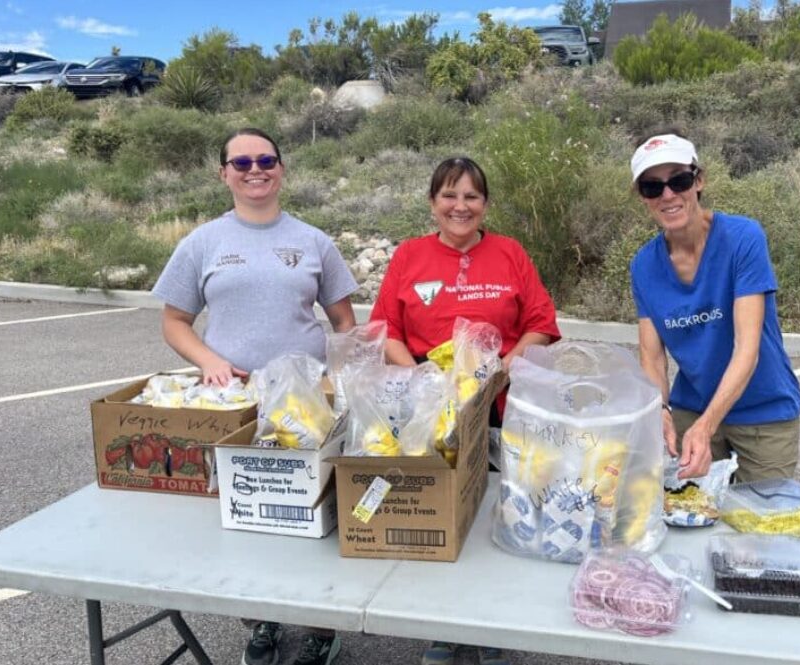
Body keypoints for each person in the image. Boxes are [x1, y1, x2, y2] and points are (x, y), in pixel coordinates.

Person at [152, 128, 358, 665]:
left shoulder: (314, 241)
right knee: (246, 514)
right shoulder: (202, 242)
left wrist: (339, 380)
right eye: (240, 162)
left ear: (282, 169)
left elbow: (343, 321)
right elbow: (175, 322)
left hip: (309, 407)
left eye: (265, 159)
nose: (254, 169)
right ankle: (260, 621)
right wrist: (210, 361)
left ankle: (319, 625)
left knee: (315, 513)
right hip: (235, 409)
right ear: (224, 174)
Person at [369, 156, 561, 665]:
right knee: (438, 512)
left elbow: (541, 321)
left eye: (471, 196)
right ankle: (441, 626)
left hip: (500, 408)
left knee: (499, 512)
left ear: (485, 205)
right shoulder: (410, 255)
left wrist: (499, 371)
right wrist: (423, 381)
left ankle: (494, 623)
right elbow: (386, 327)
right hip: (428, 412)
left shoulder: (510, 253)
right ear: (433, 203)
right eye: (449, 195)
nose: (460, 206)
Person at [628, 131, 800, 484]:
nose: (667, 195)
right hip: (691, 406)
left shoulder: (743, 239)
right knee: (689, 514)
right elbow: (652, 357)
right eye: (652, 187)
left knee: (762, 521)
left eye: (678, 180)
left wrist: (706, 426)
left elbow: (747, 348)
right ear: (643, 197)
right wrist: (659, 408)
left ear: (699, 180)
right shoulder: (644, 266)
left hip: (763, 409)